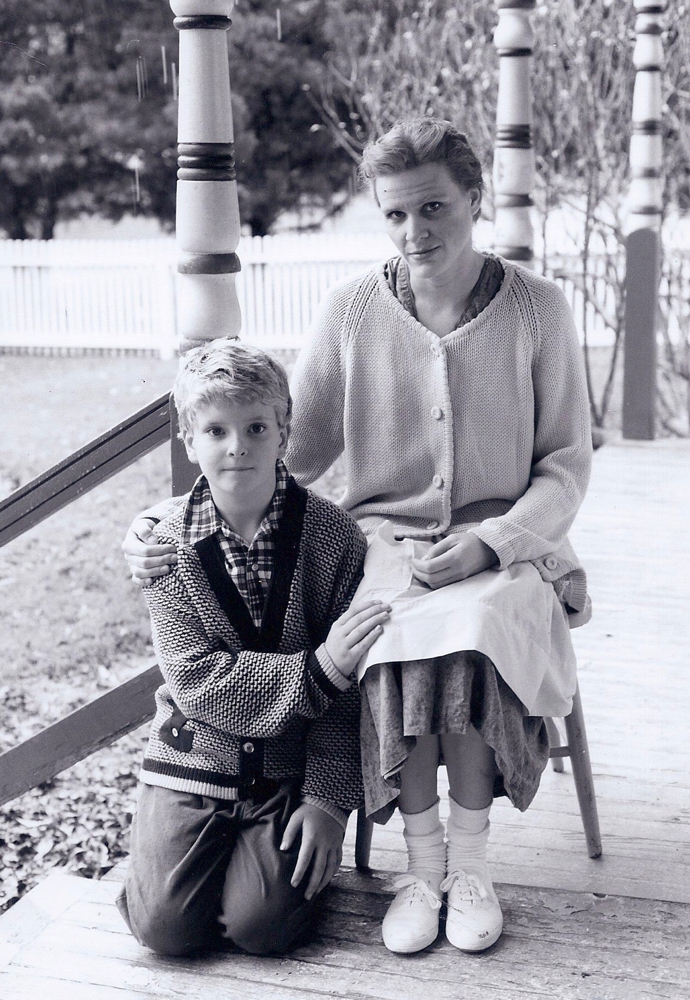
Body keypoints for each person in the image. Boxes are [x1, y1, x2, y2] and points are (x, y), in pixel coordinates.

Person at [123, 117, 592, 957]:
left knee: (478, 624)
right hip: (382, 542)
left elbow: (565, 468)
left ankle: (471, 864)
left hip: (509, 545)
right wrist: (168, 519)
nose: (416, 232)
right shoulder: (352, 310)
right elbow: (283, 449)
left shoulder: (538, 311)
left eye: (435, 208)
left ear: (474, 200)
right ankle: (421, 867)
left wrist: (494, 543)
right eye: (396, 215)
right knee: (388, 630)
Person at [117, 340, 391, 957]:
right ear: (189, 440)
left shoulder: (334, 540)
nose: (236, 445)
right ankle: (175, 865)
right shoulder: (164, 545)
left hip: (288, 773)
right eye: (215, 429)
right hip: (194, 759)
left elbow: (352, 687)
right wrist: (317, 670)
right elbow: (194, 680)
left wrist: (327, 801)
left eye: (256, 426)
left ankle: (249, 872)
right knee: (164, 932)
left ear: (284, 431)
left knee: (262, 928)